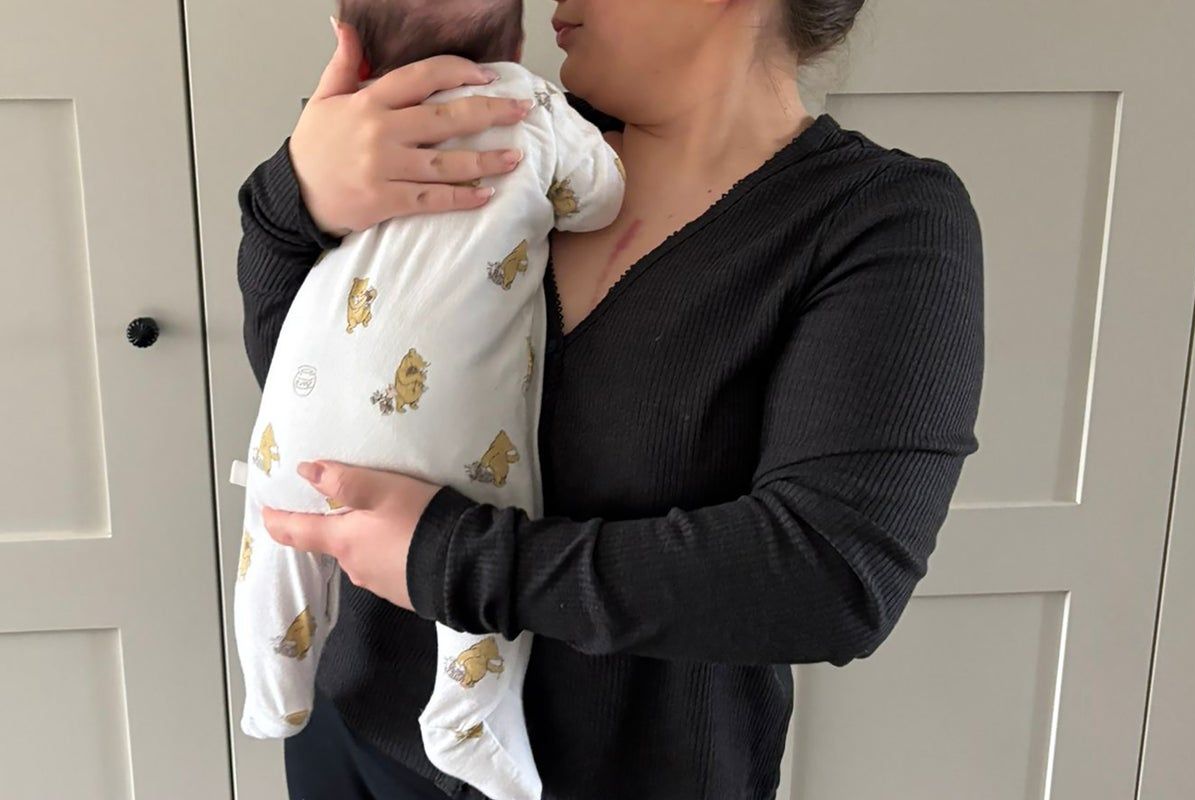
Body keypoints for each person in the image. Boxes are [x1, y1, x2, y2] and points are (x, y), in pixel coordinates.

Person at [236, 0, 985, 797]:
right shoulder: (500, 132)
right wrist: (295, 196)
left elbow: (833, 576)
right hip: (354, 739)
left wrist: (449, 561)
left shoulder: (878, 220)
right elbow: (320, 391)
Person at [232, 1, 623, 797]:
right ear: (514, 42)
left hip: (299, 425)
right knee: (488, 526)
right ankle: (467, 715)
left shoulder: (356, 134)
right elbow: (600, 198)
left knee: (274, 539)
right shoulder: (533, 108)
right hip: (440, 455)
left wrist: (307, 172)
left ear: (351, 50)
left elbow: (276, 343)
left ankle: (272, 690)